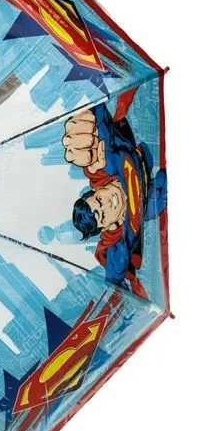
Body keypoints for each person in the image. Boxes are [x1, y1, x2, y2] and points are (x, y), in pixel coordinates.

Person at [63, 95, 167, 296]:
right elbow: (114, 280)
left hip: (144, 154)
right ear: (107, 226)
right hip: (155, 195)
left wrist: (87, 121)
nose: (107, 204)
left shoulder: (105, 164)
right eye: (102, 214)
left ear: (96, 190)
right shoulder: (118, 244)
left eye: (99, 200)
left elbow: (99, 121)